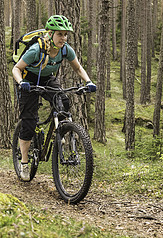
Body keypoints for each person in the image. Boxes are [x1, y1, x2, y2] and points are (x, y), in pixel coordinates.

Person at [12, 15, 97, 181]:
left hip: (47, 79)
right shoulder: (36, 50)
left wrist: (88, 82)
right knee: (29, 122)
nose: (63, 38)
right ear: (50, 34)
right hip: (28, 80)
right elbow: (16, 68)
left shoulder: (66, 50)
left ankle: (60, 131)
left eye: (65, 34)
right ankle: (24, 163)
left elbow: (78, 68)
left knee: (63, 101)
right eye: (60, 34)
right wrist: (22, 82)